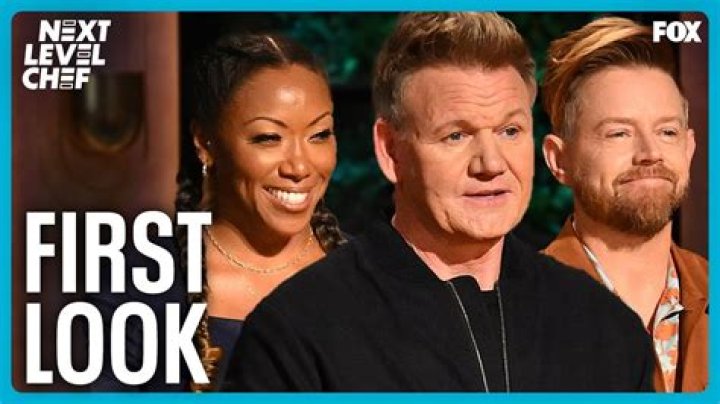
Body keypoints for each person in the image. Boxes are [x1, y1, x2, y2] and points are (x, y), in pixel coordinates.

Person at [222, 13, 654, 392]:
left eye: (509, 131)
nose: (491, 164)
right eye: (456, 135)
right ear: (391, 150)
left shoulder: (606, 328)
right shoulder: (297, 332)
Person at [89, 33, 346, 391]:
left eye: (319, 134)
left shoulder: (371, 278)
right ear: (205, 144)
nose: (300, 166)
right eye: (268, 138)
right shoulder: (140, 282)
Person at [541, 17, 708, 392]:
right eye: (618, 133)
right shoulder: (510, 315)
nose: (650, 153)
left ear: (689, 148)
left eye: (667, 132)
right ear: (559, 160)